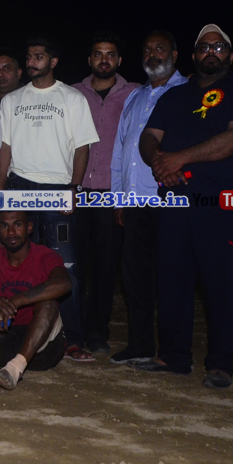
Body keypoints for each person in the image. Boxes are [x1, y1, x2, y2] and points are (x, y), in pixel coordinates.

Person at [133, 24, 233, 389]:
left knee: (223, 285)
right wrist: (160, 162)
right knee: (172, 280)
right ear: (193, 56)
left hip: (219, 204)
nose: (211, 52)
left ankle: (221, 363)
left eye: (218, 47)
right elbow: (148, 137)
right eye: (204, 47)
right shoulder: (175, 96)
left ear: (230, 55)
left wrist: (179, 159)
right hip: (175, 201)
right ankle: (173, 356)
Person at [0, 38, 99, 362]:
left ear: (53, 62)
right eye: (29, 57)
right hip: (19, 186)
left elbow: (82, 147)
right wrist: (0, 194)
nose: (32, 62)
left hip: (58, 188)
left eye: (39, 57)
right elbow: (5, 149)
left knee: (65, 266)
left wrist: (74, 188)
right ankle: (20, 331)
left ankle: (73, 339)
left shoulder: (73, 98)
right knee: (18, 261)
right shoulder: (11, 100)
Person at [107, 30, 188, 364]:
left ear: (175, 54)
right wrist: (119, 198)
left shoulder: (187, 91)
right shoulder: (135, 96)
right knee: (135, 276)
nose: (153, 54)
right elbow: (120, 150)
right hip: (135, 201)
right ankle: (140, 345)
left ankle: (173, 350)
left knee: (171, 276)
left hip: (169, 199)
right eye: (147, 49)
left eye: (160, 48)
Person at [71, 31, 139, 354]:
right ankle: (71, 330)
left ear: (119, 60)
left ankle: (97, 331)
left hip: (113, 192)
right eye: (98, 54)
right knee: (72, 265)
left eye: (110, 54)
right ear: (89, 59)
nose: (104, 59)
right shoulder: (72, 93)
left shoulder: (134, 93)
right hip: (76, 190)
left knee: (105, 266)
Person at [0, 210, 71, 390]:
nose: (11, 232)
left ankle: (16, 368)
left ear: (29, 227)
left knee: (47, 302)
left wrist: (16, 300)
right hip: (5, 330)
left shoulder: (45, 255)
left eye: (17, 224)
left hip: (43, 343)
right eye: (4, 226)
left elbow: (64, 283)